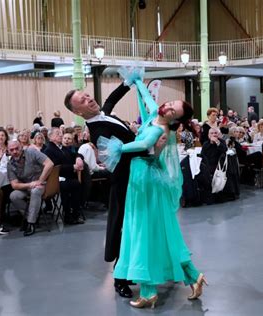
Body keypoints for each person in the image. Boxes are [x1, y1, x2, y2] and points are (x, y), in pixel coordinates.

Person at [98, 73, 206, 309]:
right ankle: (193, 276)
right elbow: (147, 97)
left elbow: (143, 145)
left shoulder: (161, 130)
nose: (166, 107)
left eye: (172, 110)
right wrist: (137, 81)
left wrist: (119, 148)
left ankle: (148, 292)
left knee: (142, 234)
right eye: (169, 104)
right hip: (141, 179)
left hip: (145, 181)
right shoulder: (154, 118)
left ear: (174, 119)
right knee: (153, 233)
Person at [64, 76, 137, 297]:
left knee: (134, 227)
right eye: (83, 101)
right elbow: (124, 154)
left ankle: (130, 269)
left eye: (87, 95)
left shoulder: (102, 115)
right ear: (79, 112)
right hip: (125, 182)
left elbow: (112, 99)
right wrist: (150, 142)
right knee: (123, 228)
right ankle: (119, 277)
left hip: (134, 177)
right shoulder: (98, 131)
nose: (89, 99)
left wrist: (128, 81)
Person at [7, 140, 54, 236]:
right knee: (13, 196)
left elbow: (49, 163)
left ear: (21, 147)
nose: (15, 152)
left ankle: (31, 223)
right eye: (12, 150)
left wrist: (40, 180)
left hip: (42, 184)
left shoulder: (31, 152)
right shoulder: (10, 164)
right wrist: (30, 185)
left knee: (35, 191)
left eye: (17, 148)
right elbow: (14, 185)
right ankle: (32, 214)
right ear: (8, 151)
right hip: (27, 185)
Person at [43, 128, 85, 225]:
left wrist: (79, 158)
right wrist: (72, 167)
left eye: (60, 133)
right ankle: (69, 215)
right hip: (55, 179)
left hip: (67, 176)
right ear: (50, 137)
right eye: (58, 134)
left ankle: (74, 213)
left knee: (76, 184)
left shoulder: (61, 147)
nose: (61, 135)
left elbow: (75, 154)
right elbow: (55, 167)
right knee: (72, 185)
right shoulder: (49, 150)